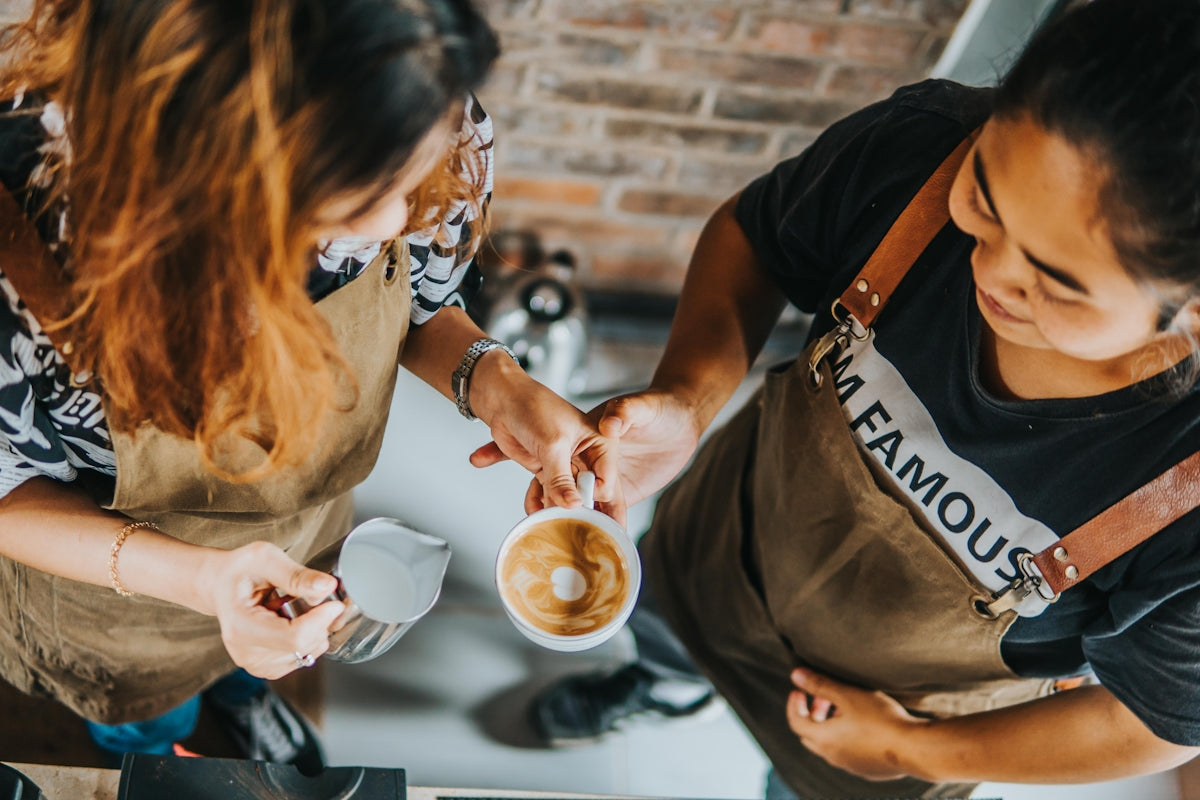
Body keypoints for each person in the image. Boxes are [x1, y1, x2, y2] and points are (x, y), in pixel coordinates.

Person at [522, 0, 1200, 796]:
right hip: (725, 546)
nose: (988, 271)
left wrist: (908, 751)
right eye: (984, 201)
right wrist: (688, 396)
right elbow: (754, 237)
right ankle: (671, 687)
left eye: (1053, 283)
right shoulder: (920, 149)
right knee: (666, 626)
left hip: (892, 718)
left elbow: (1151, 724)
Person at [0, 0, 615, 767]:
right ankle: (158, 740)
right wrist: (207, 582)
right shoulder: (23, 253)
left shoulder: (417, 100)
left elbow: (423, 304)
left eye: (410, 175)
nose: (397, 219)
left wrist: (494, 381)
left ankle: (239, 694)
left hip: (307, 523)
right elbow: (6, 487)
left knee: (256, 656)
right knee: (144, 718)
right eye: (358, 191)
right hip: (117, 595)